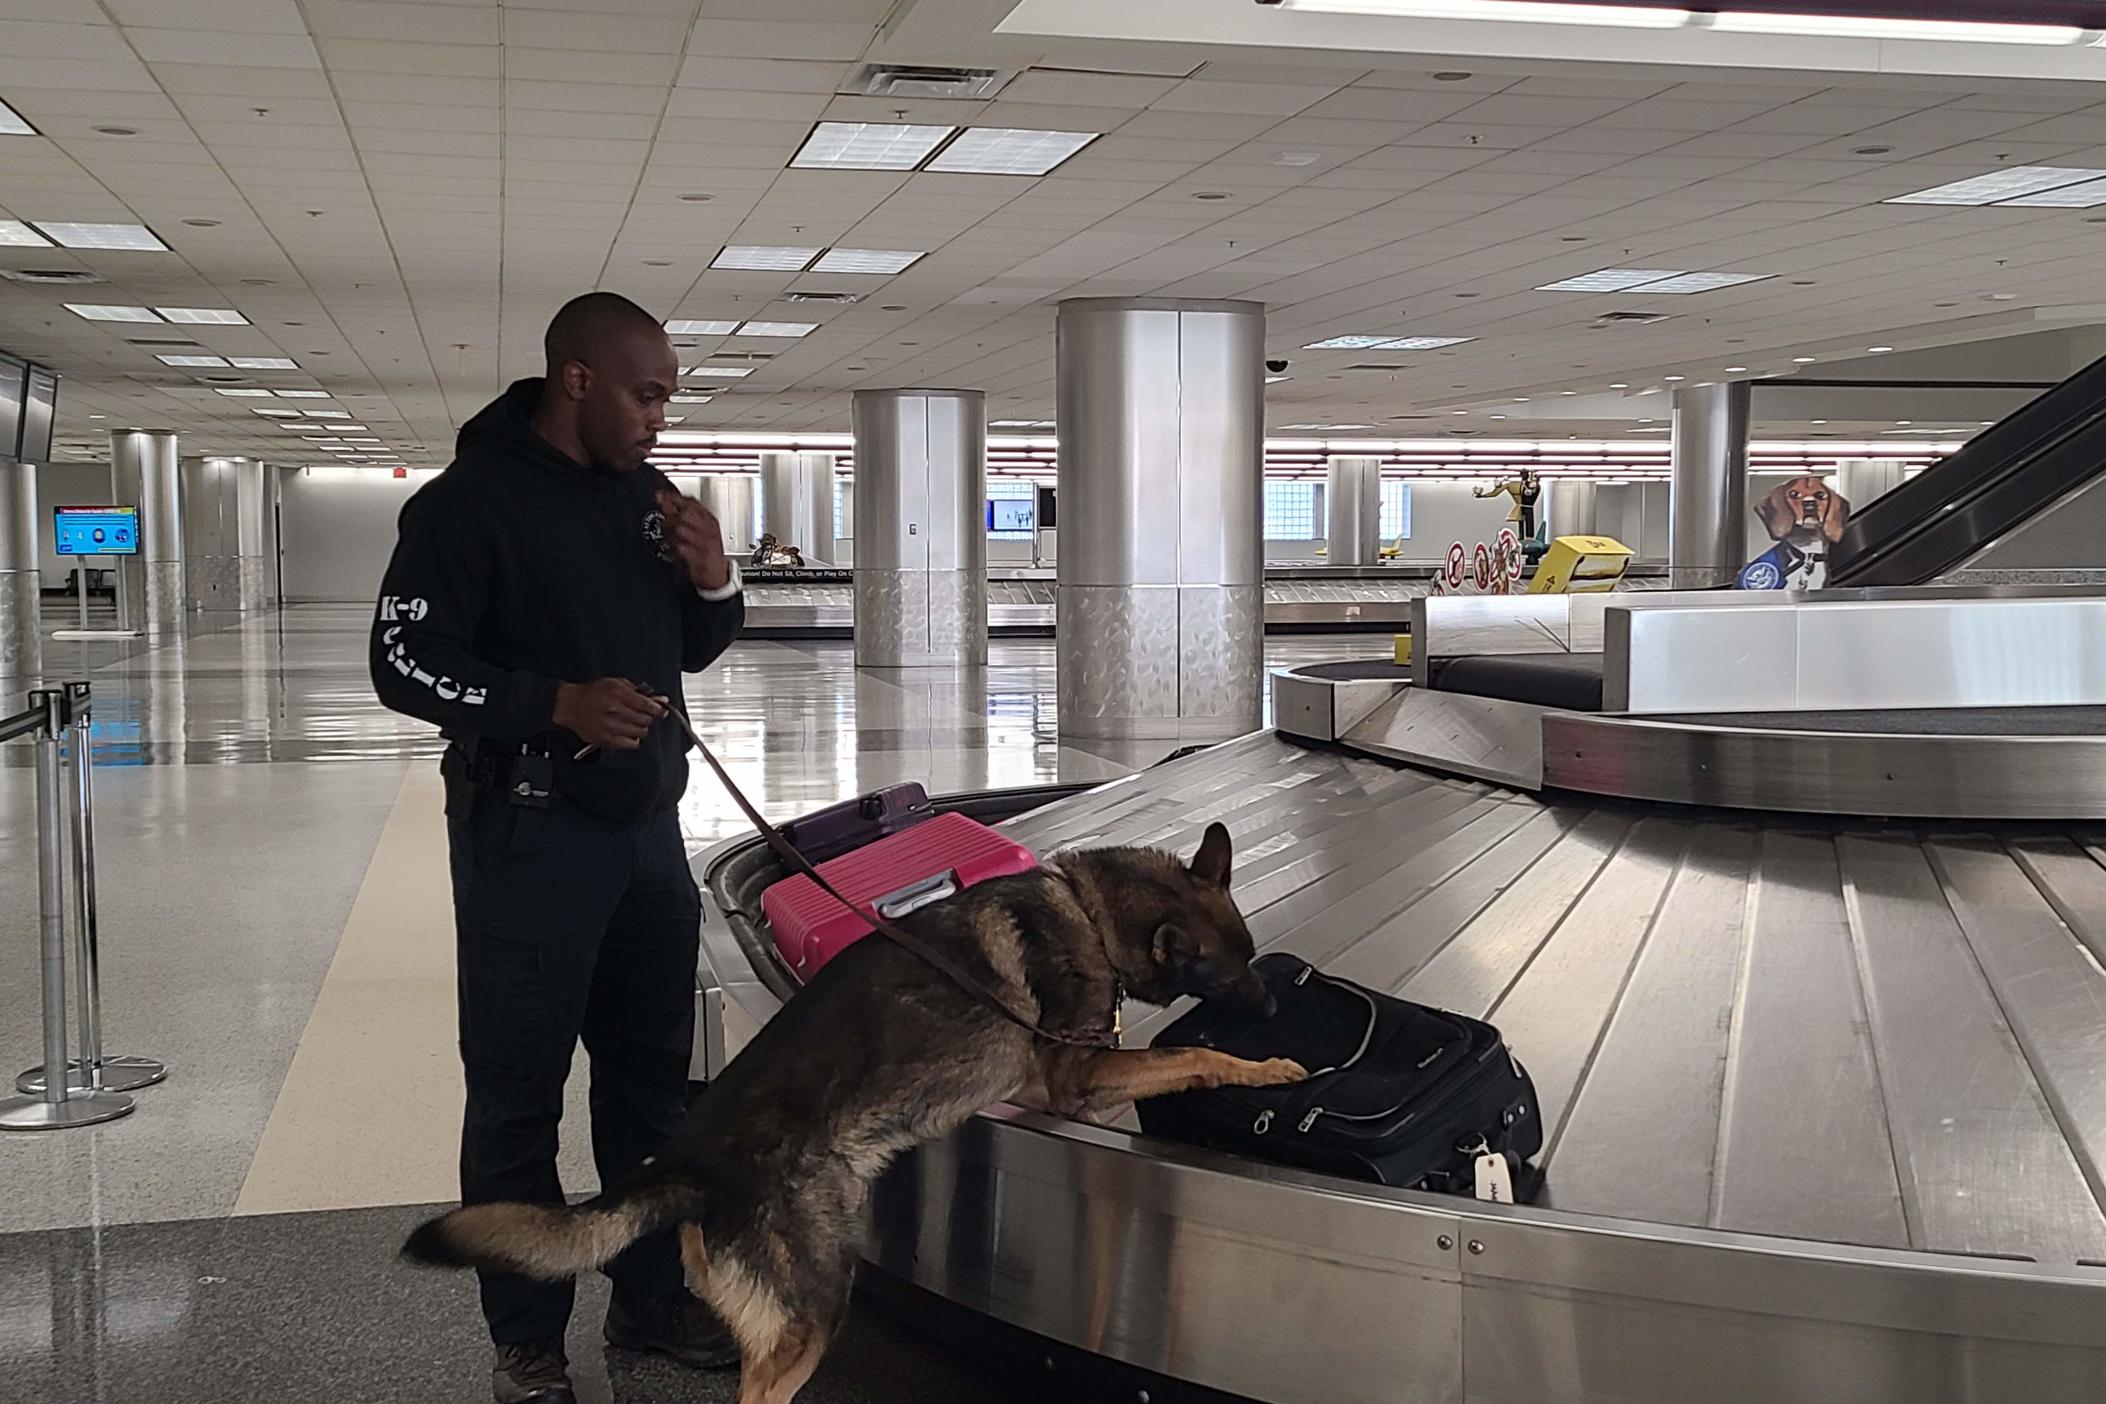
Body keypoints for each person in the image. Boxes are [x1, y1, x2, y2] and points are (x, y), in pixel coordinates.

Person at [370, 292, 745, 1404]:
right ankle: (526, 1337)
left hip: (646, 847)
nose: (659, 419)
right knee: (517, 1101)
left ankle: (649, 1300)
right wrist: (553, 704)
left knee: (651, 1096)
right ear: (575, 380)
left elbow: (694, 646)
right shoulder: (467, 504)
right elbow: (403, 665)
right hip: (528, 840)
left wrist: (714, 575)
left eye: (668, 398)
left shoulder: (650, 502)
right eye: (647, 394)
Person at [1474, 468, 1541, 541]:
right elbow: (1495, 493)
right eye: (1523, 474)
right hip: (1523, 506)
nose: (1524, 475)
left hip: (1528, 506)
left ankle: (1529, 537)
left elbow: (1534, 490)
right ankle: (1522, 536)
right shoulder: (1513, 485)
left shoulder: (1530, 484)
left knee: (1528, 519)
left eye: (1525, 473)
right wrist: (1483, 495)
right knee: (1522, 519)